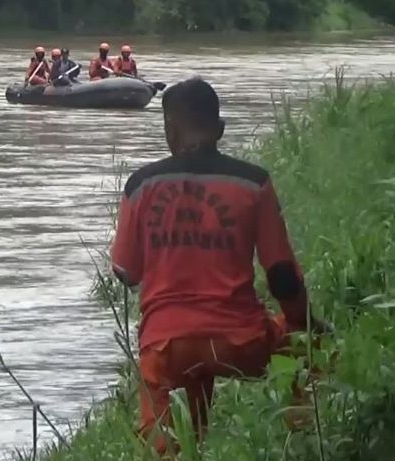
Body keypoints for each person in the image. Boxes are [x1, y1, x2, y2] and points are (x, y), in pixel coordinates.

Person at [110, 78, 329, 454]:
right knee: (315, 344)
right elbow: (282, 277)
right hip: (239, 342)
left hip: (166, 348)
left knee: (163, 428)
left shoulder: (140, 185)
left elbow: (126, 272)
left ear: (169, 129)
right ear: (221, 130)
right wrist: (305, 322)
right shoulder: (253, 183)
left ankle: (175, 449)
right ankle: (301, 440)